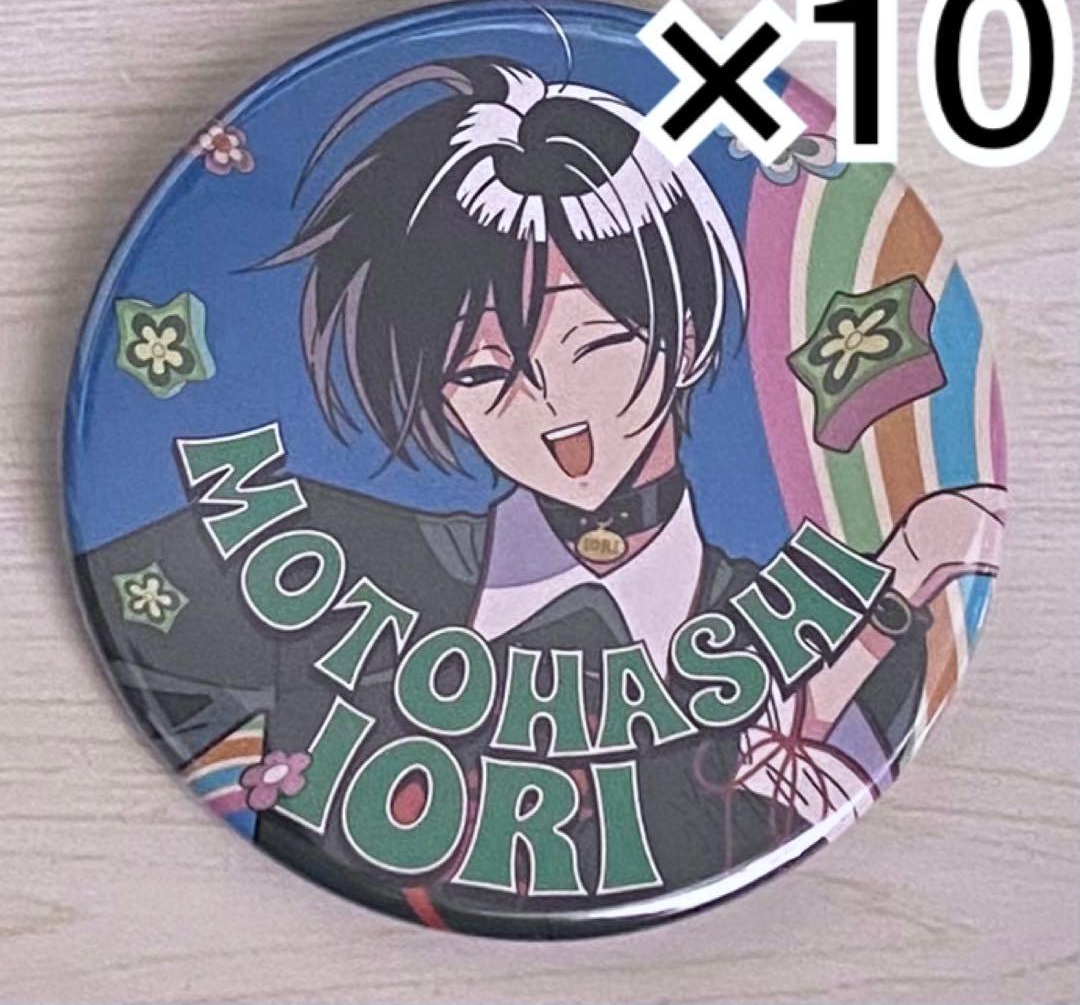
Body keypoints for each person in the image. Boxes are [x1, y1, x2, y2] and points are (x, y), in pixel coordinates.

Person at [77, 57, 1003, 934]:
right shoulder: (303, 560)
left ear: (684, 333)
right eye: (482, 375)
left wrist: (903, 577)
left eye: (596, 345)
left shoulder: (844, 640)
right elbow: (136, 662)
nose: (556, 418)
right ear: (438, 395)